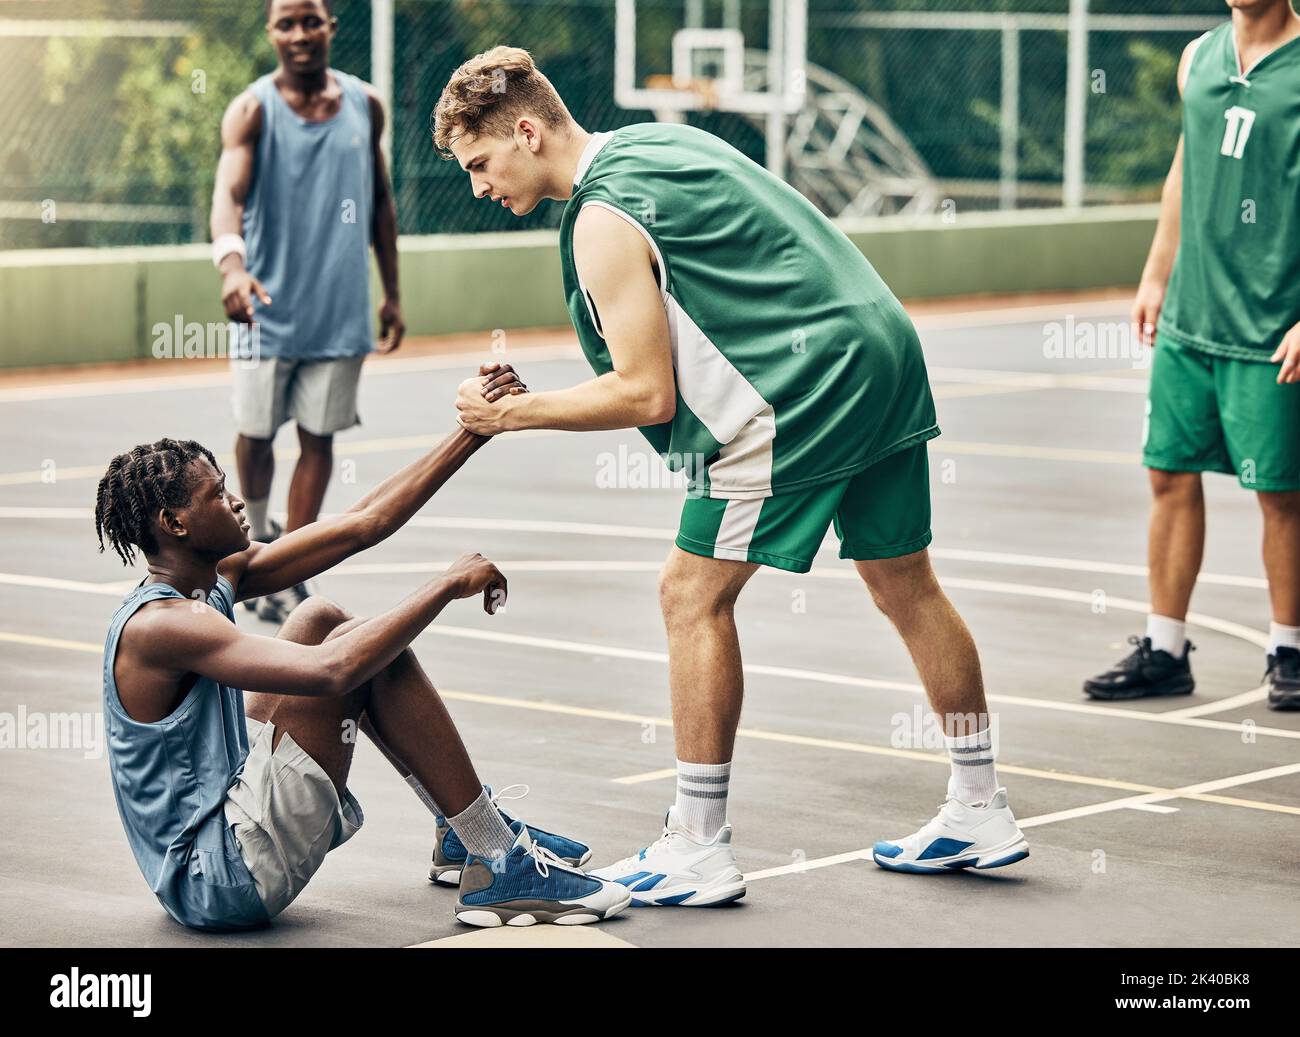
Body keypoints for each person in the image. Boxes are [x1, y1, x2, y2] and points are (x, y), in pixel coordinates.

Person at [432, 46, 1029, 905]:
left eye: (482, 164)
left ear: (527, 131)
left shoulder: (602, 220)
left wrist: (509, 415)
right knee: (906, 581)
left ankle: (699, 844)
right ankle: (981, 806)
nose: (480, 187)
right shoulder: (659, 145)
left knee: (689, 593)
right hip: (880, 348)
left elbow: (644, 390)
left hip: (805, 390)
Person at [93, 397, 630, 931]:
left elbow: (363, 523)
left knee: (318, 615)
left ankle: (459, 830)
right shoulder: (164, 625)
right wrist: (444, 586)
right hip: (222, 876)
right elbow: (333, 672)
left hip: (220, 820)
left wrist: (475, 430)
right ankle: (497, 860)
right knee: (364, 651)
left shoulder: (204, 584)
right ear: (174, 523)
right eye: (217, 495)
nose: (237, 502)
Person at [1084, 0, 1300, 710]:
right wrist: (1155, 272)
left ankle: (1289, 649)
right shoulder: (1196, 58)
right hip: (1192, 315)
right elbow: (1186, 168)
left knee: (1280, 492)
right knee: (1168, 474)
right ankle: (1165, 648)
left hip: (1271, 319)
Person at [211, 0, 406, 622]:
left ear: (330, 28)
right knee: (256, 432)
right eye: (286, 23)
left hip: (339, 312)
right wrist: (232, 267)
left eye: (310, 21)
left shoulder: (364, 105)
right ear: (271, 32)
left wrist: (392, 290)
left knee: (319, 438)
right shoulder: (252, 110)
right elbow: (228, 195)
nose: (300, 34)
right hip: (265, 311)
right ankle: (256, 546)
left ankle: (290, 564)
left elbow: (379, 201)